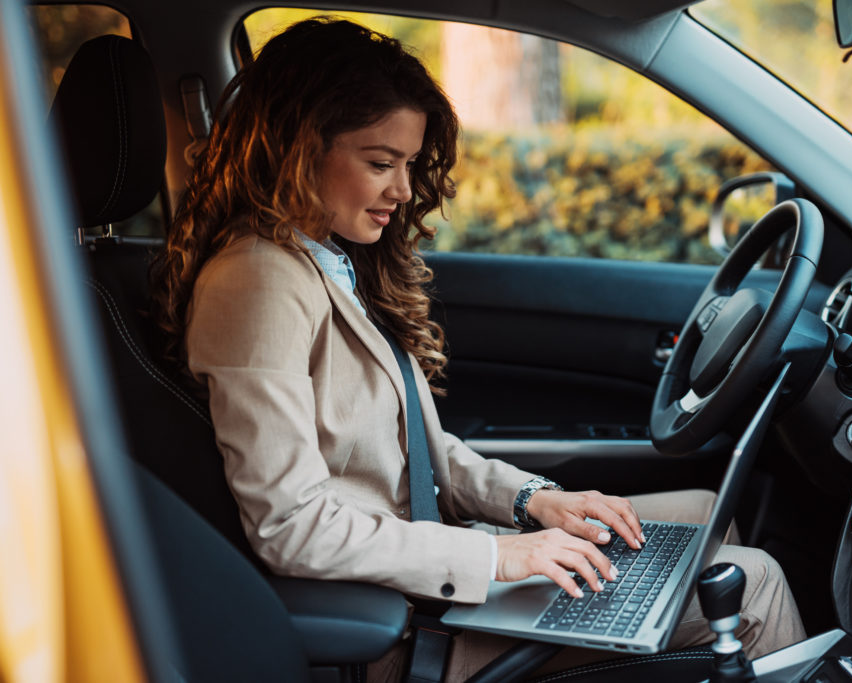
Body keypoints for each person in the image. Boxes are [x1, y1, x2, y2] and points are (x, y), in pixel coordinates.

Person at [151, 17, 805, 681]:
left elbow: (418, 459)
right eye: (380, 163)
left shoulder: (326, 258)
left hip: (426, 565)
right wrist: (504, 559)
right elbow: (289, 525)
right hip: (392, 622)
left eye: (408, 164)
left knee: (701, 513)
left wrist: (534, 501)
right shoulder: (256, 281)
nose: (404, 191)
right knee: (754, 585)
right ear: (298, 147)